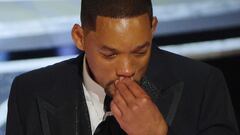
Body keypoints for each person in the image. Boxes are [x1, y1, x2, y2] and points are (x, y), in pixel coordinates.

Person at [6, 0, 239, 135]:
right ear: (80, 37)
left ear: (153, 28)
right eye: (110, 54)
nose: (127, 70)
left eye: (140, 51)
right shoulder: (30, 92)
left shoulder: (203, 86)